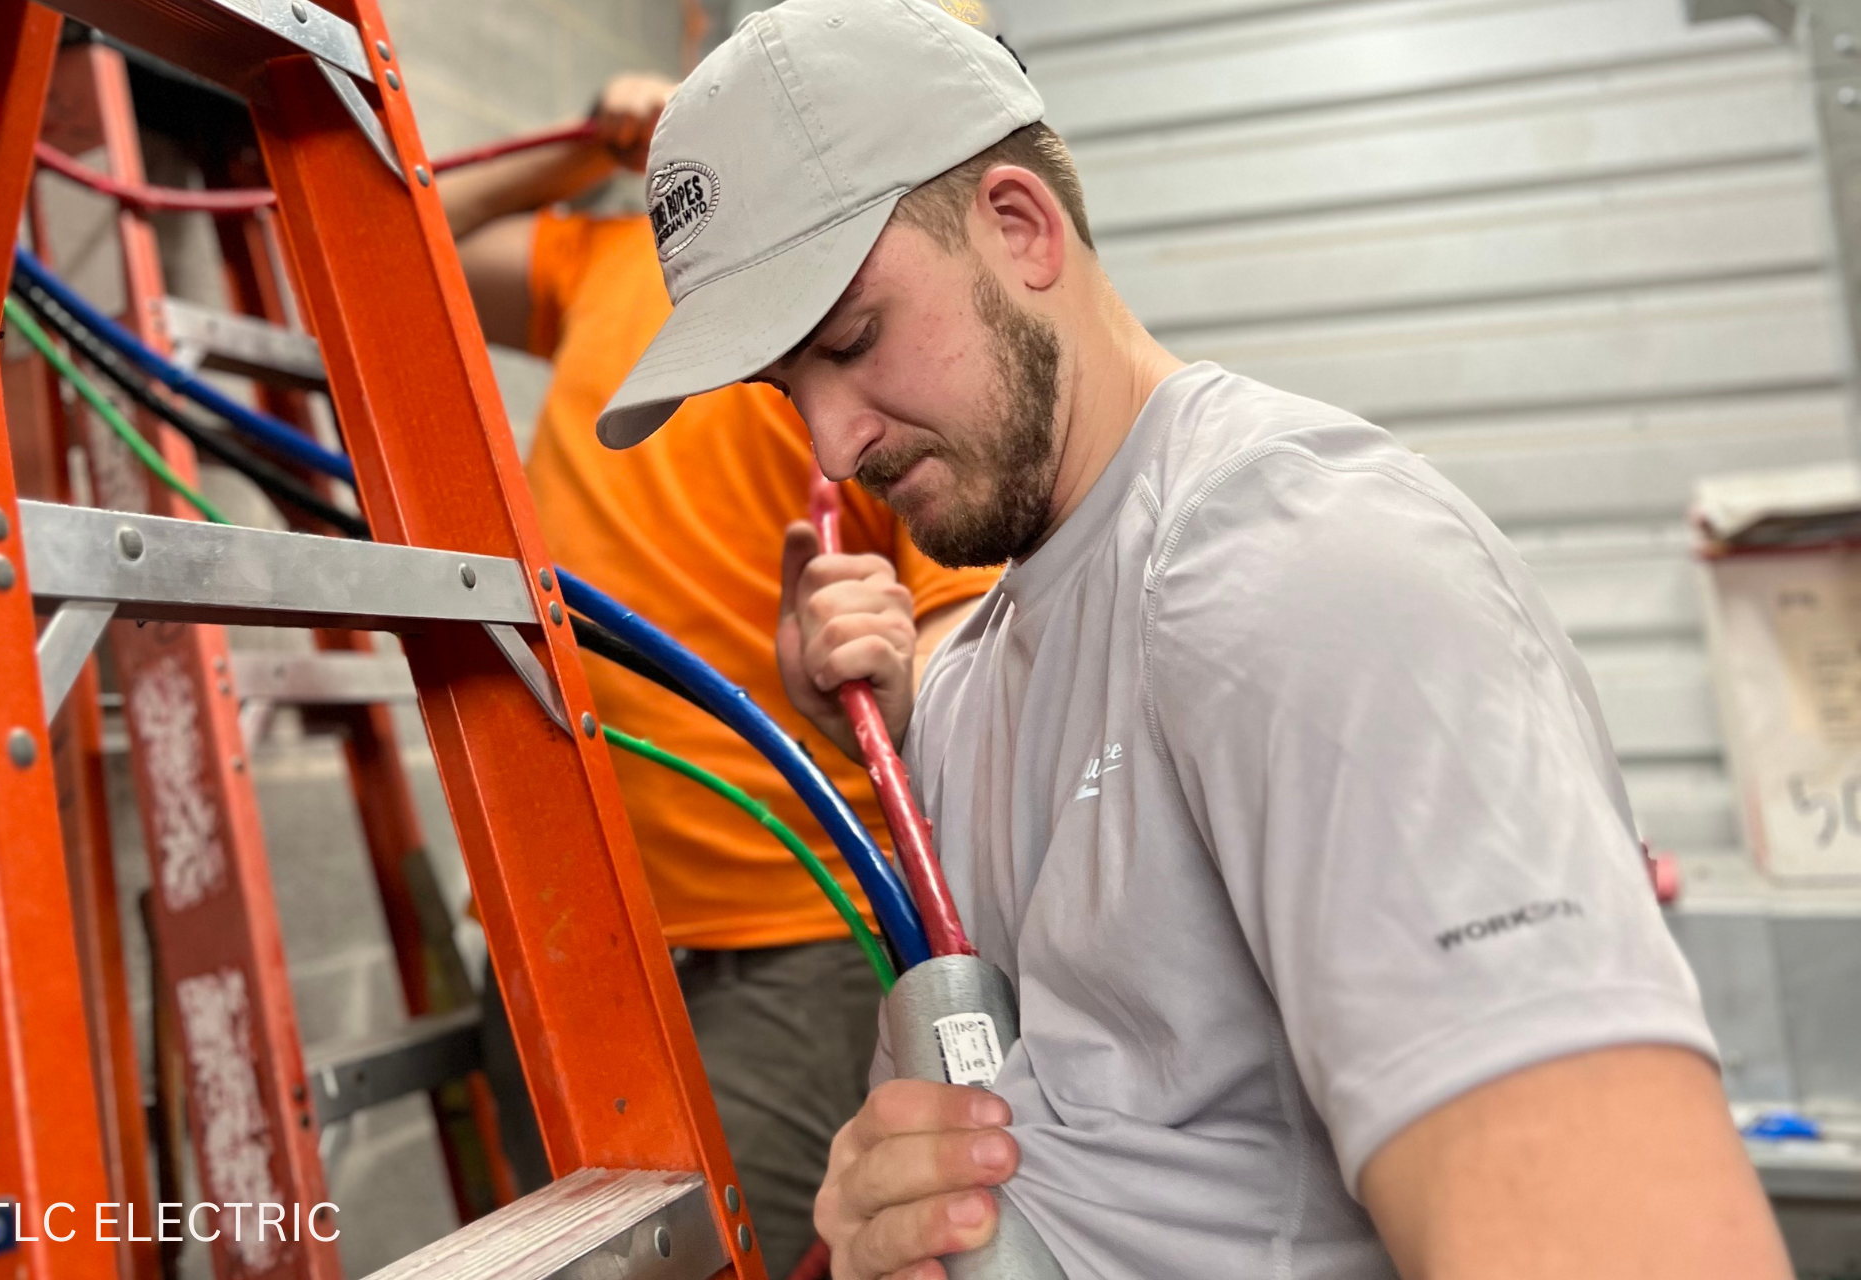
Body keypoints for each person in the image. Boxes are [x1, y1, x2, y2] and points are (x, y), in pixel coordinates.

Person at [591, 2, 1794, 1278]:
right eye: (792, 387)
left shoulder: (1305, 564)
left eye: (851, 341)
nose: (833, 443)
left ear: (1020, 227)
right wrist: (885, 1199)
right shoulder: (978, 681)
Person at [436, 72, 998, 1274]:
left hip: (784, 942)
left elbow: (964, 650)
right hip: (560, 928)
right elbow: (409, 234)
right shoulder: (602, 260)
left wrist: (896, 687)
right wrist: (584, 142)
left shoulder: (864, 314)